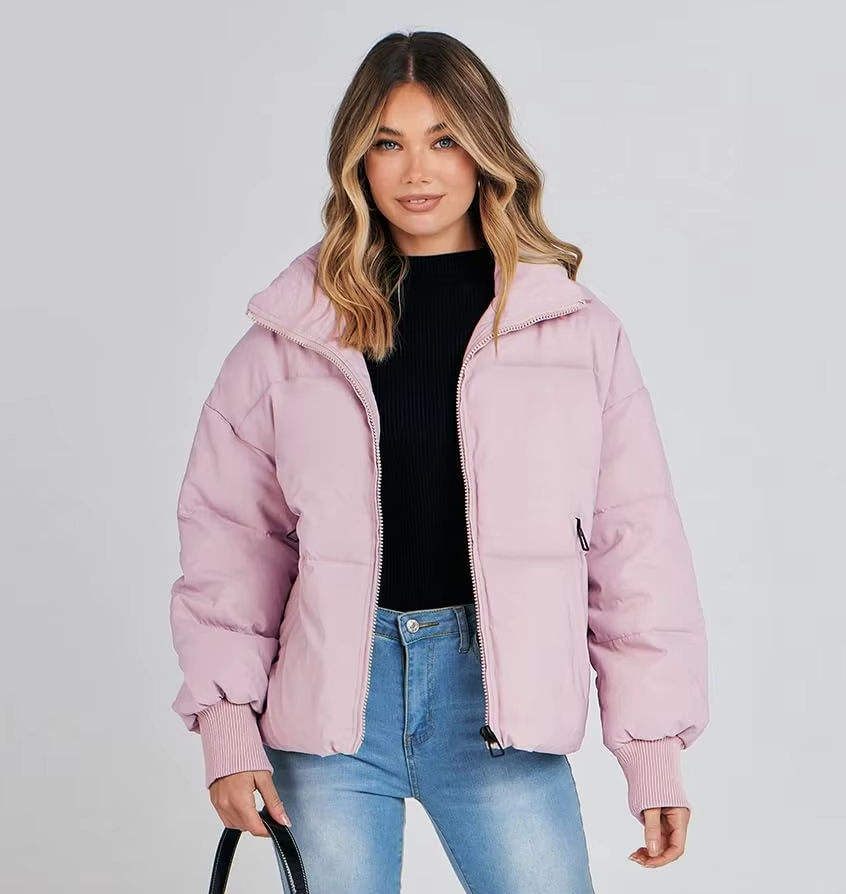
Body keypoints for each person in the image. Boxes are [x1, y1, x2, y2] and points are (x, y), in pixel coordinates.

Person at [169, 30, 709, 892]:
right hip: (331, 712)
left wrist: (651, 750)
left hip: (497, 707)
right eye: (389, 143)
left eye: (444, 139)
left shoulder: (577, 335)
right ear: (357, 161)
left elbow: (634, 545)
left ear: (486, 150)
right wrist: (228, 726)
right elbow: (232, 545)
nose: (417, 171)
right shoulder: (289, 339)